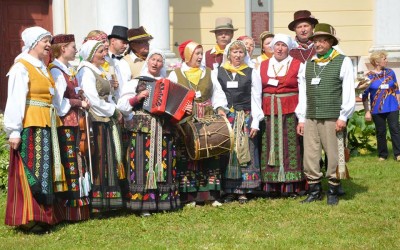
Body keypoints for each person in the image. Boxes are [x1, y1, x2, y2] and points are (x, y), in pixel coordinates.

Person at [4, 26, 65, 231]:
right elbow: (15, 99)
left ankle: (44, 217)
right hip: (31, 125)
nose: (49, 45)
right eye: (45, 41)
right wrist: (14, 130)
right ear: (32, 43)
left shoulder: (42, 67)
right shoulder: (21, 67)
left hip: (47, 123)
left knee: (45, 171)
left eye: (49, 41)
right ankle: (30, 218)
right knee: (33, 171)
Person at [295, 23, 355, 205]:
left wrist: (343, 116)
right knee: (311, 155)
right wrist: (301, 118)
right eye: (316, 40)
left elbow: (348, 90)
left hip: (332, 116)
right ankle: (314, 191)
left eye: (322, 40)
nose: (318, 44)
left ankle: (333, 191)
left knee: (334, 154)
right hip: (311, 115)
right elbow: (303, 92)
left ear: (330, 42)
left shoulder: (342, 61)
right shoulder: (308, 63)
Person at [117, 49, 181, 216]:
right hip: (142, 130)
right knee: (140, 164)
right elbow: (122, 105)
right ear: (148, 62)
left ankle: (163, 201)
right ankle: (143, 204)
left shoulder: (168, 84)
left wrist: (184, 109)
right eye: (153, 59)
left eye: (159, 61)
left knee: (165, 163)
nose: (155, 63)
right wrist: (137, 98)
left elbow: (176, 109)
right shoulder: (136, 82)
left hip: (163, 130)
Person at [169, 40, 228, 207]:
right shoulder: (176, 74)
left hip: (207, 117)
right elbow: (170, 96)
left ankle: (211, 194)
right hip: (186, 119)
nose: (201, 57)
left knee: (210, 152)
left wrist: (220, 108)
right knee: (188, 155)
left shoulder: (209, 72)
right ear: (187, 55)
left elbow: (218, 93)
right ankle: (190, 196)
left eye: (201, 54)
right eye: (197, 54)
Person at [76, 40, 127, 213]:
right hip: (96, 119)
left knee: (109, 157)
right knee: (99, 158)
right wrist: (112, 110)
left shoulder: (98, 70)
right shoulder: (86, 71)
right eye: (100, 51)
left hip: (106, 117)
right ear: (91, 54)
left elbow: (106, 95)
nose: (104, 54)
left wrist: (114, 107)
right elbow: (92, 98)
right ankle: (99, 202)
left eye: (105, 50)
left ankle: (111, 201)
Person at [212, 40, 263, 203]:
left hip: (245, 116)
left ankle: (245, 189)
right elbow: (217, 93)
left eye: (241, 52)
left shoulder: (251, 72)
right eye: (234, 52)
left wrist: (255, 121)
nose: (238, 55)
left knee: (245, 150)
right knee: (227, 152)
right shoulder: (218, 72)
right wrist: (220, 107)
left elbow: (256, 98)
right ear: (228, 54)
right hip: (227, 118)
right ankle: (229, 190)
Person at [256, 34, 306, 197]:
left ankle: (291, 186)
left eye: (283, 45)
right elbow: (256, 92)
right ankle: (271, 187)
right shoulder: (262, 66)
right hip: (268, 112)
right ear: (271, 48)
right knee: (268, 146)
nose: (279, 48)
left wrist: (302, 116)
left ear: (289, 48)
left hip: (290, 112)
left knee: (291, 147)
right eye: (277, 45)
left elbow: (303, 92)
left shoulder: (298, 65)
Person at [49, 34, 91, 221]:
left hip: (75, 121)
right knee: (70, 163)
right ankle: (69, 209)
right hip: (65, 122)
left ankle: (80, 208)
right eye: (73, 47)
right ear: (63, 48)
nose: (76, 50)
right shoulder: (56, 71)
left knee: (78, 161)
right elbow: (58, 102)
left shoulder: (68, 69)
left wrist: (81, 94)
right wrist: (78, 102)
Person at [362, 51, 400, 161]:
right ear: (377, 62)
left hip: (392, 106)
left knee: (395, 129)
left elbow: (396, 89)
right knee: (380, 131)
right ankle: (383, 155)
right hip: (376, 108)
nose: (387, 61)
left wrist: (398, 103)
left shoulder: (390, 72)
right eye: (384, 59)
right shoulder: (368, 76)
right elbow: (365, 95)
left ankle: (398, 154)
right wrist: (367, 111)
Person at [105, 25, 129, 101]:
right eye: (123, 42)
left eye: (127, 43)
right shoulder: (103, 59)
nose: (125, 46)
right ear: (112, 41)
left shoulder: (125, 62)